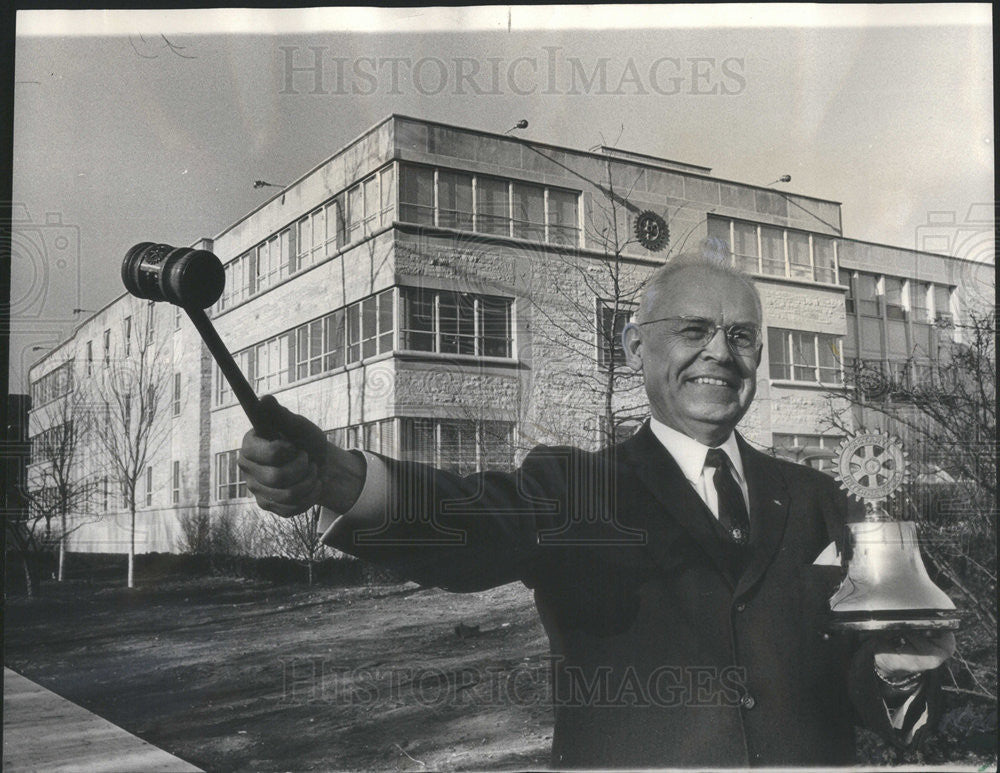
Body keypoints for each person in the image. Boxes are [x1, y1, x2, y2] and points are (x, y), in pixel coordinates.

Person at [239, 253, 954, 768]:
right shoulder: (579, 488)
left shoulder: (814, 496)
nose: (721, 353)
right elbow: (469, 521)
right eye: (695, 329)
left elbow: (861, 674)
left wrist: (896, 674)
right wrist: (334, 476)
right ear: (634, 346)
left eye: (742, 337)